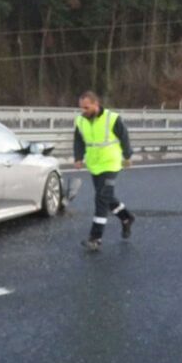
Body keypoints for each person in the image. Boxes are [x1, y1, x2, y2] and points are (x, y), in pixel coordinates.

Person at [74, 90, 136, 252]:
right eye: (81, 108)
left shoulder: (112, 118)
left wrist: (127, 156)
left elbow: (124, 136)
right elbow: (79, 140)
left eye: (86, 108)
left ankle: (96, 238)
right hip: (95, 165)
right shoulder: (81, 121)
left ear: (96, 104)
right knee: (106, 197)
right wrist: (78, 157)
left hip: (111, 163)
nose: (83, 111)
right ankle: (126, 217)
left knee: (101, 199)